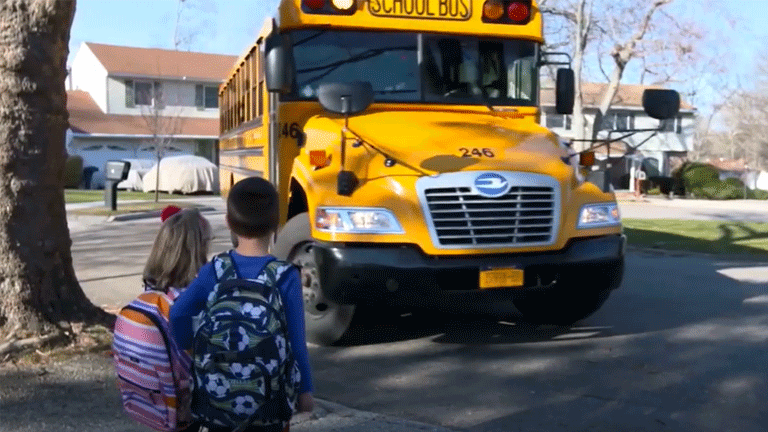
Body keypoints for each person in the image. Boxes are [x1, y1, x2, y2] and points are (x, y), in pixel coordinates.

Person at [170, 177, 314, 432]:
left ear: (228, 222)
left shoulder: (215, 270)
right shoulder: (285, 275)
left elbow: (178, 313)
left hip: (215, 399)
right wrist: (305, 391)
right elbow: (296, 343)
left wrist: (195, 350)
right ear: (276, 225)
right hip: (269, 406)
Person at [113, 206, 212, 432]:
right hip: (187, 410)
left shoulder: (148, 297)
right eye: (207, 241)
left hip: (147, 403)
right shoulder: (193, 303)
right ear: (198, 248)